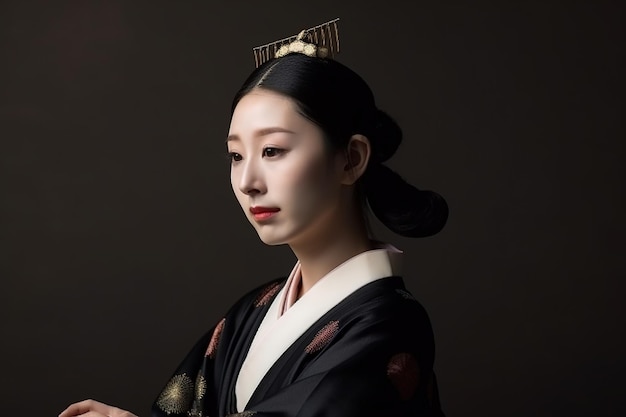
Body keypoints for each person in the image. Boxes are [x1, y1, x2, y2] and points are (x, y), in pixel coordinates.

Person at [60, 19, 448, 417]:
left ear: (351, 159)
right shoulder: (252, 311)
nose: (248, 182)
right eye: (236, 155)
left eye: (273, 150)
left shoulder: (391, 323)